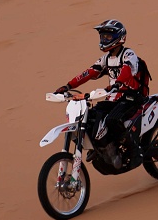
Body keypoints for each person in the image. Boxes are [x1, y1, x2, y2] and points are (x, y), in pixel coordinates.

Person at [53, 19, 148, 168]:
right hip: (113, 98)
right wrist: (68, 85)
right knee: (89, 116)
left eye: (108, 37)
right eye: (103, 36)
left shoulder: (128, 54)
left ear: (119, 37)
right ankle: (101, 146)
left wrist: (117, 84)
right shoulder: (106, 58)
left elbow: (127, 70)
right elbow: (88, 73)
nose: (104, 40)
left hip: (131, 97)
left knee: (112, 120)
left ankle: (136, 153)